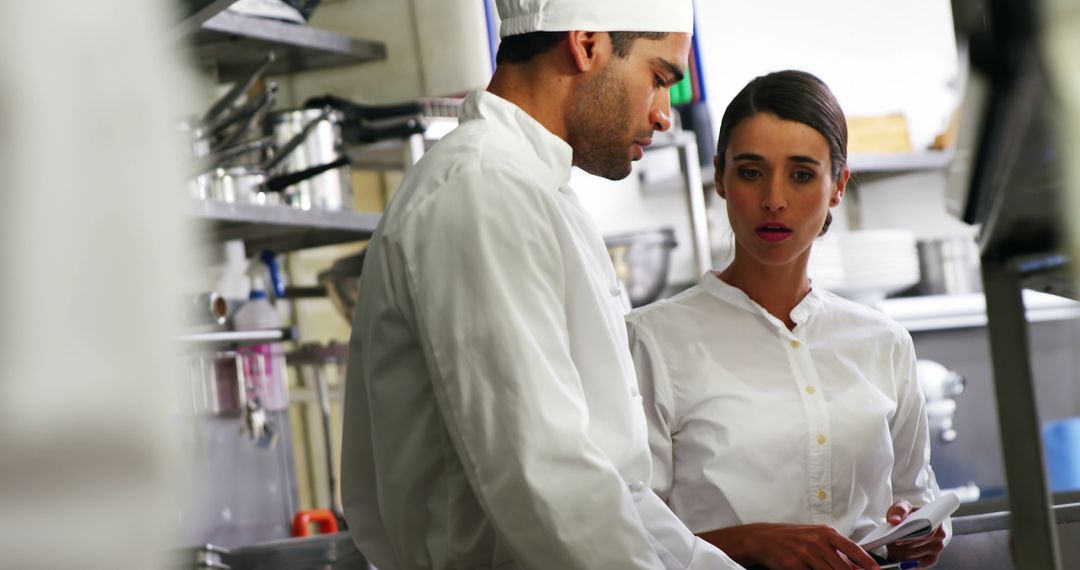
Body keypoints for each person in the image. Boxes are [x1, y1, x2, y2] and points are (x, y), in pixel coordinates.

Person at [340, 1, 743, 568]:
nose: (663, 115)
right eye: (658, 79)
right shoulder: (481, 189)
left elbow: (616, 494)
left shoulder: (537, 189)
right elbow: (547, 485)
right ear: (585, 44)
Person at [626, 70, 948, 570]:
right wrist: (748, 542)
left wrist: (921, 529)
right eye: (751, 172)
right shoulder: (651, 341)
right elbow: (628, 527)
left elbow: (917, 492)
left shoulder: (883, 342)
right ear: (720, 178)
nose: (774, 198)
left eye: (801, 174)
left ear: (838, 185)